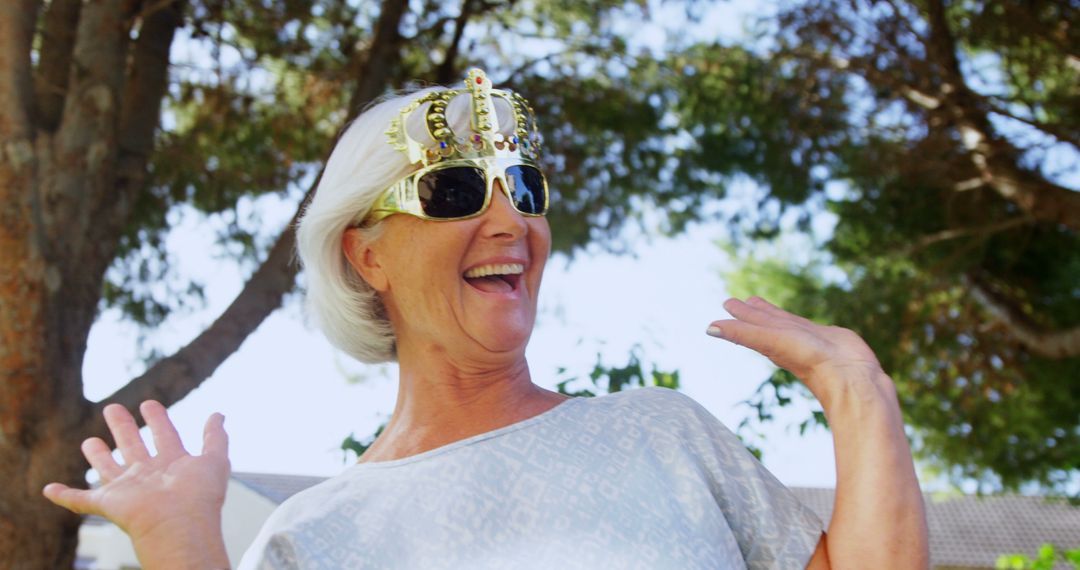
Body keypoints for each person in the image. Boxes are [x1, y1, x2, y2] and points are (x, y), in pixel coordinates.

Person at [44, 69, 929, 569]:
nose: (513, 223)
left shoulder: (665, 435)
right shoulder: (308, 538)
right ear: (367, 255)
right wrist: (180, 541)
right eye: (456, 191)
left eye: (528, 190)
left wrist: (860, 394)